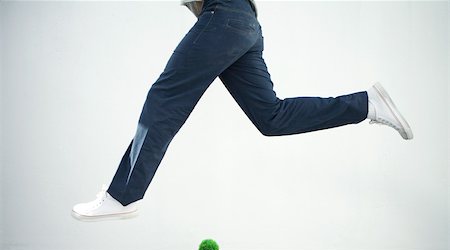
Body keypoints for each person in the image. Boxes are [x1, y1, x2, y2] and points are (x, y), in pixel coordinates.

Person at [72, 0, 413, 221]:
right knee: (271, 116)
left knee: (165, 98)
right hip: (246, 24)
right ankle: (366, 103)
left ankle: (123, 195)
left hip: (223, 18)